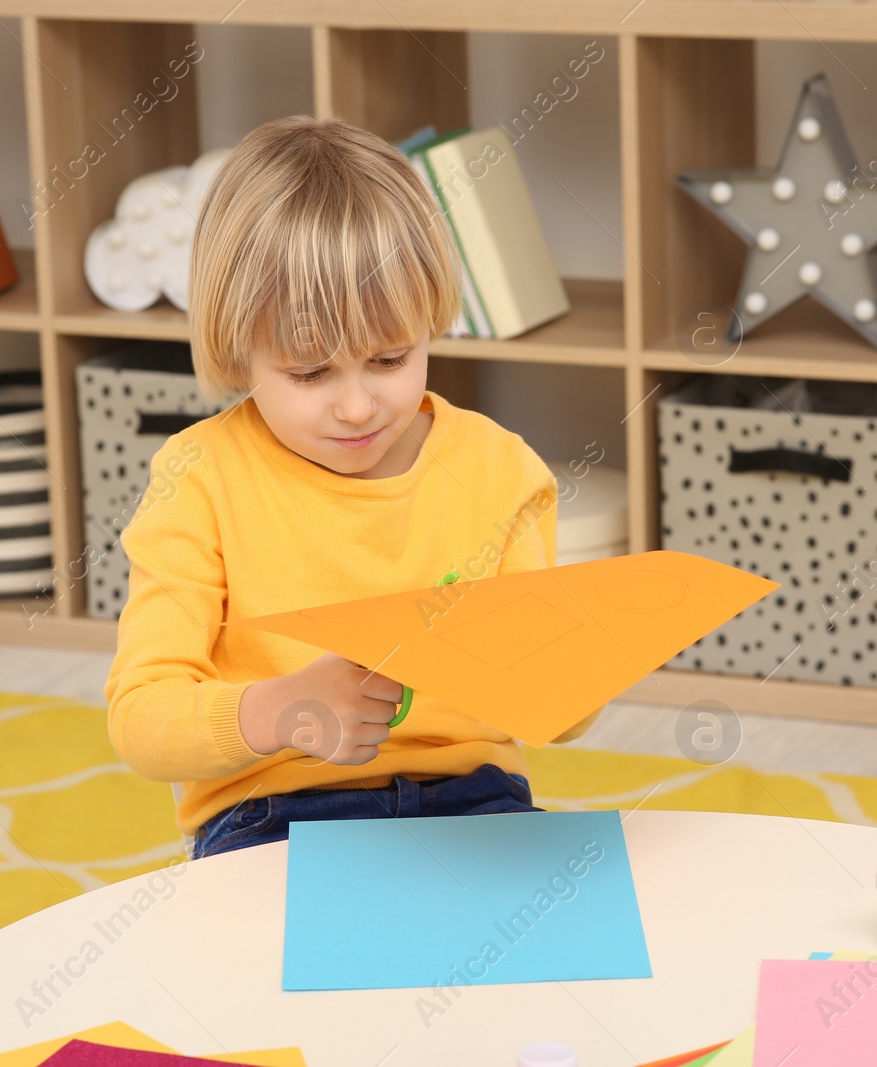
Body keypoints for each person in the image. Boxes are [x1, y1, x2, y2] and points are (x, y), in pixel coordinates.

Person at [103, 115, 602, 859]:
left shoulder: (501, 469)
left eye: (391, 358)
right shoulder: (199, 478)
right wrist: (276, 711)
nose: (359, 406)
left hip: (474, 799)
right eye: (309, 373)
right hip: (273, 811)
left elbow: (552, 713)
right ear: (239, 349)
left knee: (563, 956)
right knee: (262, 970)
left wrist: (568, 682)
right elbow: (142, 720)